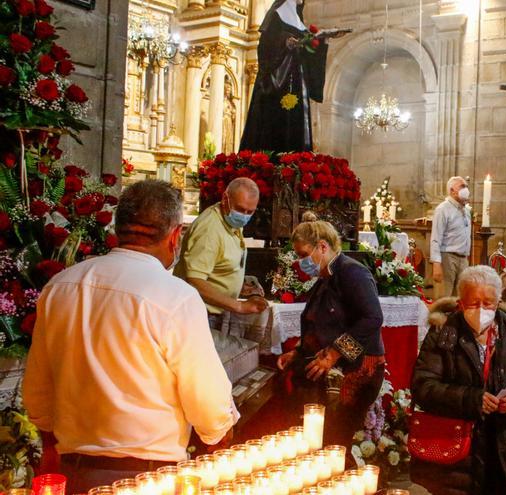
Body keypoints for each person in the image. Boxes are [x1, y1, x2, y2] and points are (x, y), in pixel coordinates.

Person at [22, 181, 238, 492]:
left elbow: (38, 390)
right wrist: (219, 431)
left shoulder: (60, 286)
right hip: (148, 477)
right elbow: (206, 398)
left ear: (118, 228)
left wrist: (51, 445)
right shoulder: (175, 296)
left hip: (75, 470)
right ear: (175, 236)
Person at [411, 266, 506, 495]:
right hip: (456, 452)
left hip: (501, 449)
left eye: (488, 303)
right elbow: (423, 386)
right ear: (460, 303)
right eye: (473, 303)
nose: (481, 310)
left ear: (498, 302)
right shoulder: (444, 333)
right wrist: (472, 399)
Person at [276, 221, 384, 465]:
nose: (300, 261)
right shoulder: (326, 276)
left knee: (335, 445)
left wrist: (334, 354)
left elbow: (372, 318)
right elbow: (321, 323)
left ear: (322, 246)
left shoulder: (353, 272)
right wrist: (298, 351)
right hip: (334, 369)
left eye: (304, 254)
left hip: (357, 370)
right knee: (321, 443)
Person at [239, 0, 349, 153]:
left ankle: (296, 161)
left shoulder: (298, 20)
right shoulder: (276, 15)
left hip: (298, 82)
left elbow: (307, 50)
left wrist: (323, 38)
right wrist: (285, 43)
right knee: (277, 124)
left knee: (297, 122)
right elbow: (265, 48)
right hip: (277, 84)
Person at [175, 177, 268, 330]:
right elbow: (195, 280)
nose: (244, 216)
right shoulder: (210, 229)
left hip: (214, 312)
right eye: (240, 209)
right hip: (199, 314)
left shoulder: (229, 219)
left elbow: (218, 262)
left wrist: (239, 282)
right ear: (225, 198)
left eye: (249, 212)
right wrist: (239, 306)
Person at [430, 176, 472, 298]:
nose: (466, 190)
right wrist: (436, 264)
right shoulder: (443, 209)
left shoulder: (466, 210)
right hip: (447, 258)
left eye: (467, 187)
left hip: (463, 259)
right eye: (462, 186)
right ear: (452, 190)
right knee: (444, 299)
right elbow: (436, 238)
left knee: (460, 299)